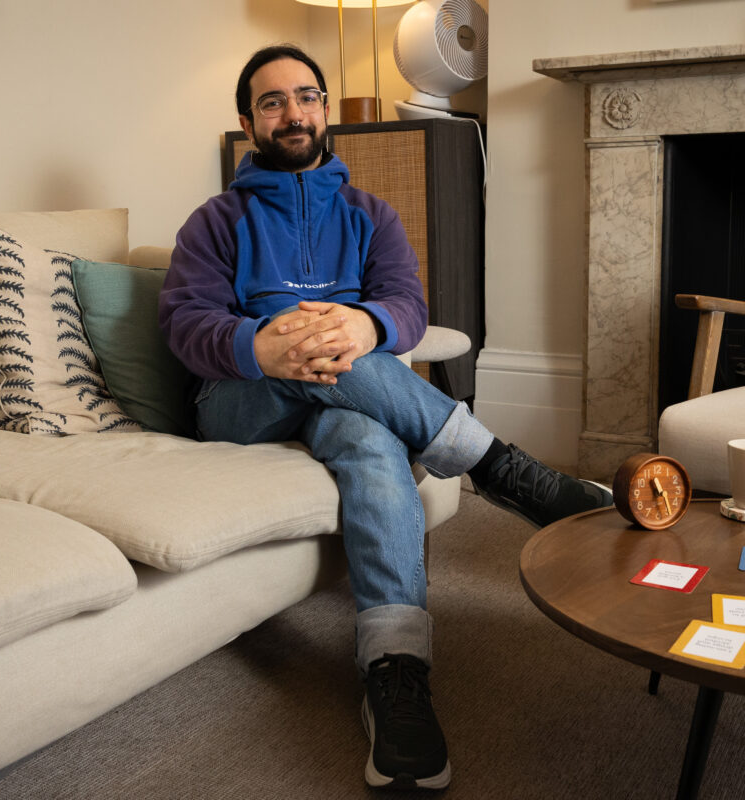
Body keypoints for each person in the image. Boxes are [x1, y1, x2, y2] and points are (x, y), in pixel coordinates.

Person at [159, 43, 613, 791]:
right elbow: (183, 324)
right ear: (248, 121)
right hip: (241, 400)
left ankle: (395, 672)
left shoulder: (371, 215)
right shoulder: (215, 221)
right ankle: (502, 469)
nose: (292, 113)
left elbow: (407, 306)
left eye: (306, 96)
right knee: (338, 360)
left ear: (325, 109)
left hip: (344, 396)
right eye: (272, 102)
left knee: (370, 441)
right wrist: (260, 344)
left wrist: (364, 328)